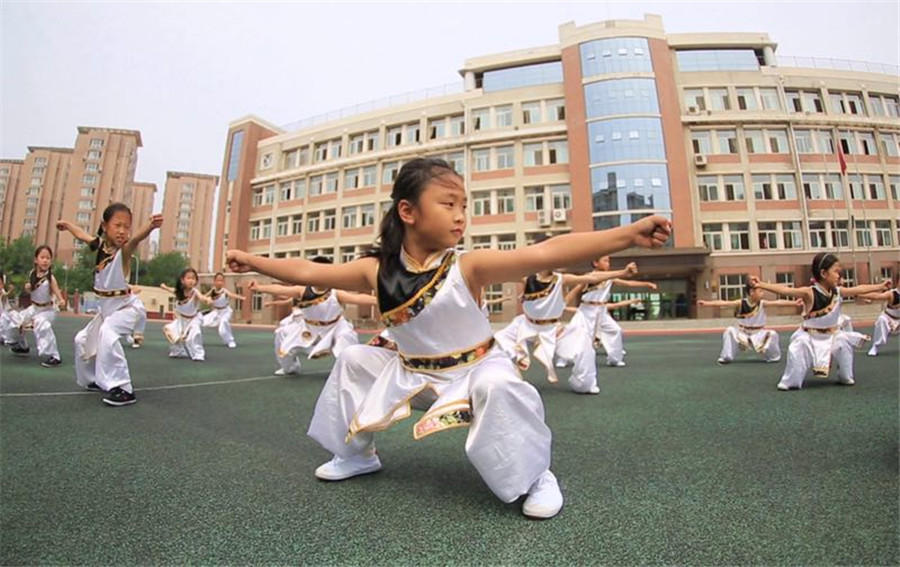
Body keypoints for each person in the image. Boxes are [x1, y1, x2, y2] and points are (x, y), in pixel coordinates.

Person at [225, 157, 671, 519]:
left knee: (498, 386)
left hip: (477, 371)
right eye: (448, 203)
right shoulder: (374, 269)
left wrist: (628, 233)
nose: (460, 215)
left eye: (464, 205)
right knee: (356, 359)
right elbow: (308, 272)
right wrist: (252, 259)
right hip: (412, 374)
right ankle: (358, 454)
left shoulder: (468, 265)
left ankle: (536, 476)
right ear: (408, 211)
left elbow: (545, 251)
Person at [58, 205, 163, 406]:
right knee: (82, 340)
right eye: (118, 225)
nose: (123, 231)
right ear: (105, 226)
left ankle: (123, 388)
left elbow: (135, 239)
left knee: (108, 334)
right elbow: (82, 235)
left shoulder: (124, 251)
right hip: (106, 310)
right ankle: (93, 380)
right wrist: (68, 225)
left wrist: (150, 226)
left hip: (126, 309)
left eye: (127, 226)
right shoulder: (99, 246)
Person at [493, 247, 631, 394]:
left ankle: (584, 384)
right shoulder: (527, 279)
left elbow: (592, 278)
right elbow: (502, 273)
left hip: (552, 328)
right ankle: (501, 380)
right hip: (525, 325)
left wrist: (623, 272)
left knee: (584, 344)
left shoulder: (561, 279)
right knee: (495, 344)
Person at [749, 253, 891, 390]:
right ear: (823, 273)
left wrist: (880, 287)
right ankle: (791, 381)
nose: (838, 276)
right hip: (809, 336)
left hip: (832, 335)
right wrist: (761, 284)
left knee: (843, 343)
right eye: (835, 272)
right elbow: (785, 290)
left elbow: (858, 289)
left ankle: (845, 375)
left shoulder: (838, 292)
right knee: (798, 348)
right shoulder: (809, 293)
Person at [247, 261, 376, 376]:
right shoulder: (302, 291)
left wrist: (380, 300)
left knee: (346, 340)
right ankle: (289, 368)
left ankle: (352, 371)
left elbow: (358, 298)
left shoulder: (336, 293)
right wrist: (260, 288)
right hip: (309, 328)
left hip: (335, 328)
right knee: (283, 334)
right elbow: (281, 289)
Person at [564, 256, 658, 367]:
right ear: (595, 263)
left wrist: (646, 284)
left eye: (609, 261)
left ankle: (614, 359)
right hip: (587, 309)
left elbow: (628, 283)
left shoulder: (610, 278)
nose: (608, 264)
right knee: (577, 332)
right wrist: (563, 304)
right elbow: (575, 290)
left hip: (602, 310)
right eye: (605, 261)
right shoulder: (589, 277)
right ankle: (564, 358)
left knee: (615, 330)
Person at [697, 283, 802, 365]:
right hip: (743, 333)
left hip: (759, 333)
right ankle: (726, 356)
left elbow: (778, 302)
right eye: (760, 291)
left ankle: (774, 357)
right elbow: (724, 303)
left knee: (773, 334)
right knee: (729, 330)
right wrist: (707, 304)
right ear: (751, 292)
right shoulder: (740, 303)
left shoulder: (762, 303)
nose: (762, 293)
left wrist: (794, 303)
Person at [7, 245, 65, 367]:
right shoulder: (32, 274)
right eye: (42, 257)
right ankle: (21, 346)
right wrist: (27, 289)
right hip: (34, 308)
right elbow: (30, 292)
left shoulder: (50, 278)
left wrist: (61, 300)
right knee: (16, 319)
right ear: (36, 260)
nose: (45, 260)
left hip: (47, 310)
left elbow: (57, 292)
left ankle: (54, 356)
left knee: (41, 323)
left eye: (48, 258)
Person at [160, 268, 212, 361]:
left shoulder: (195, 292)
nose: (191, 280)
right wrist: (164, 287)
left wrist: (207, 300)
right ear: (182, 280)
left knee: (194, 335)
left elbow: (202, 297)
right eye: (188, 278)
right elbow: (172, 290)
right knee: (173, 332)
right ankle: (179, 351)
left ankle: (198, 354)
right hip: (181, 319)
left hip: (194, 319)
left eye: (193, 278)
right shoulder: (179, 292)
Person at [858, 281, 900, 356]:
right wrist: (860, 295)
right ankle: (875, 346)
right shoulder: (892, 294)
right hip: (889, 319)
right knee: (881, 319)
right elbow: (877, 296)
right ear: (897, 282)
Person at [200, 272, 242, 348]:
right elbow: (204, 297)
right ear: (214, 282)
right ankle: (193, 339)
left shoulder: (224, 291)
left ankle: (230, 341)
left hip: (225, 311)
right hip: (216, 312)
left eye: (221, 281)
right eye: (218, 280)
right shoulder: (213, 291)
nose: (219, 282)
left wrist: (241, 298)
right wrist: (205, 299)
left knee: (223, 326)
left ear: (224, 282)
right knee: (201, 321)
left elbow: (232, 295)